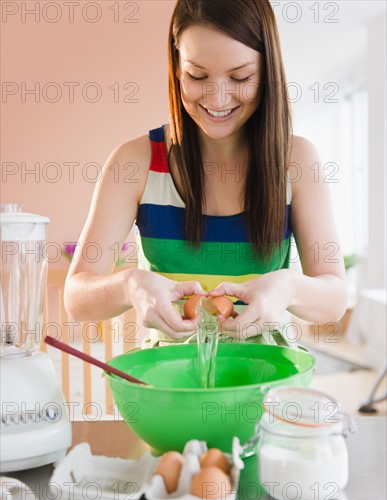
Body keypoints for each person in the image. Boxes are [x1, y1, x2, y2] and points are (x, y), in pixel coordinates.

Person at [64, 0, 347, 347]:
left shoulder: (296, 161)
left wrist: (288, 287)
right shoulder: (133, 162)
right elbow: (76, 298)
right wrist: (130, 284)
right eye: (197, 76)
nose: (218, 97)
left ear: (267, 69)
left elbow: (334, 299)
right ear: (176, 67)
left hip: (266, 387)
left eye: (240, 77)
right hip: (169, 385)